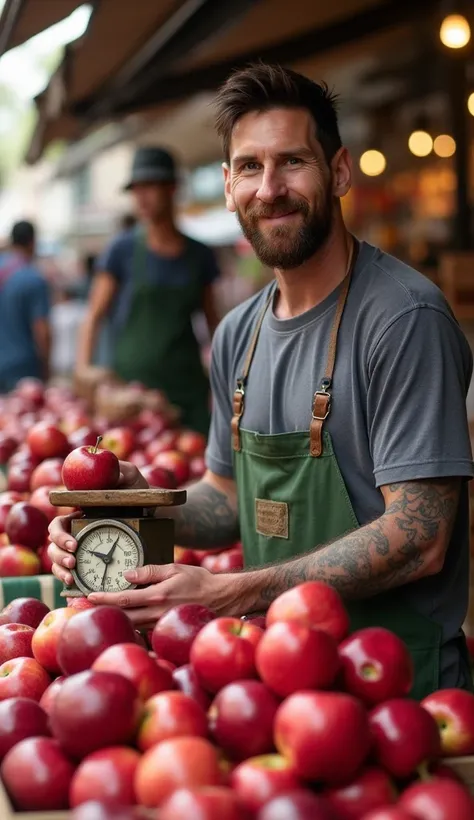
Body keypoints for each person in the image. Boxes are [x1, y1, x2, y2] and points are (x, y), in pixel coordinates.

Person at [49, 63, 474, 699]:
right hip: (277, 687)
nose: (269, 188)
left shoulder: (403, 319)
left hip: (395, 695)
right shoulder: (236, 335)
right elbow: (227, 496)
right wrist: (136, 505)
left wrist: (235, 590)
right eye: (249, 166)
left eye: (293, 162)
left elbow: (421, 537)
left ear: (338, 172)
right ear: (226, 185)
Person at [75, 146, 221, 434]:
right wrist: (85, 373)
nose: (140, 196)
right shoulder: (122, 249)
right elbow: (93, 316)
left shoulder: (200, 255)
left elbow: (214, 324)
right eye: (136, 188)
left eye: (150, 186)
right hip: (132, 391)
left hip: (187, 389)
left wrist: (226, 380)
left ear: (172, 188)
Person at [0, 220, 51, 392]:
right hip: (22, 367)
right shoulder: (33, 279)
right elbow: (41, 329)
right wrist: (46, 365)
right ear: (33, 242)